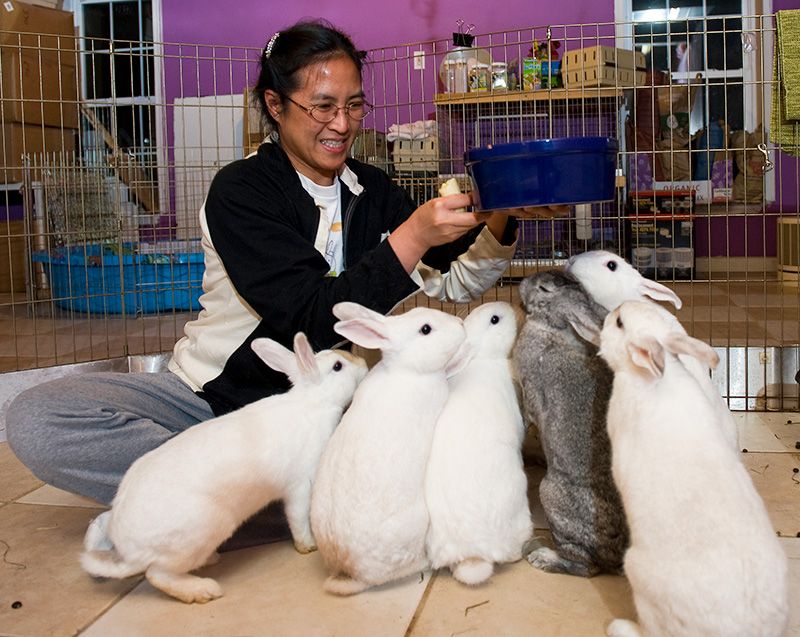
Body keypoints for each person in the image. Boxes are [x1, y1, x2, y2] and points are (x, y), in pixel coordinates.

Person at [6, 19, 559, 511]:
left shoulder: (372, 191)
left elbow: (462, 281)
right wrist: (413, 235)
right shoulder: (241, 190)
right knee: (41, 418)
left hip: (326, 409)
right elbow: (308, 320)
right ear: (276, 105)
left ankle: (238, 490)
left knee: (478, 391)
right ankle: (288, 486)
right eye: (322, 105)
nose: (342, 124)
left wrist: (503, 217)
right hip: (213, 405)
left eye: (354, 105)